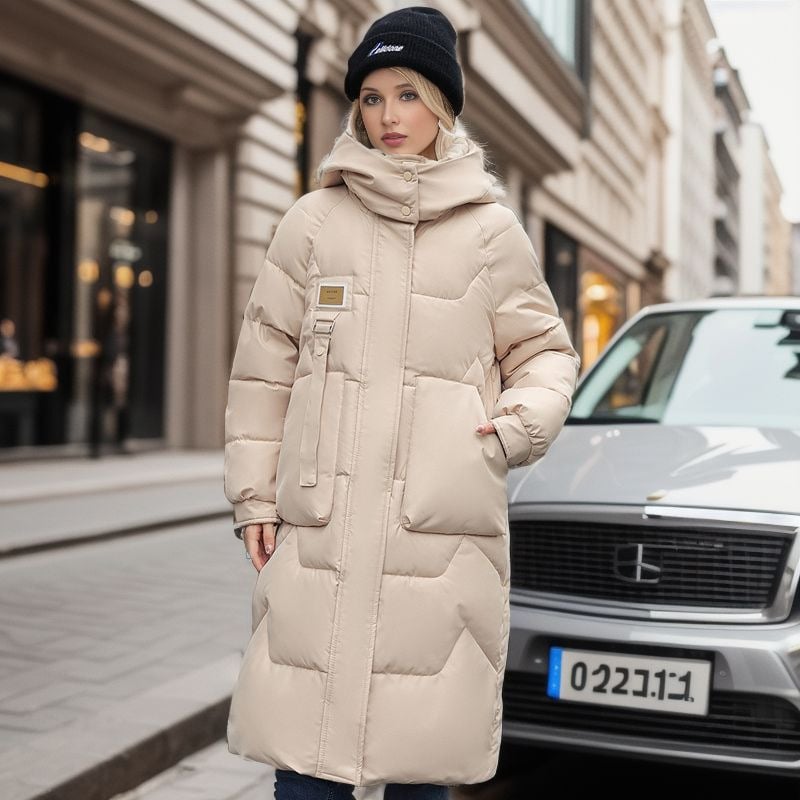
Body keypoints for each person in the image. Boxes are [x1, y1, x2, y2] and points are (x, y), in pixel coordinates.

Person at [223, 7, 579, 799]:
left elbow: (547, 353)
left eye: (408, 94)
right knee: (307, 764)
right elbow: (263, 370)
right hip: (322, 531)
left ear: (442, 105)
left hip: (440, 532)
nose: (389, 117)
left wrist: (511, 431)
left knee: (419, 759)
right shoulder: (311, 224)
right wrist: (253, 495)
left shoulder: (492, 233)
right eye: (373, 97)